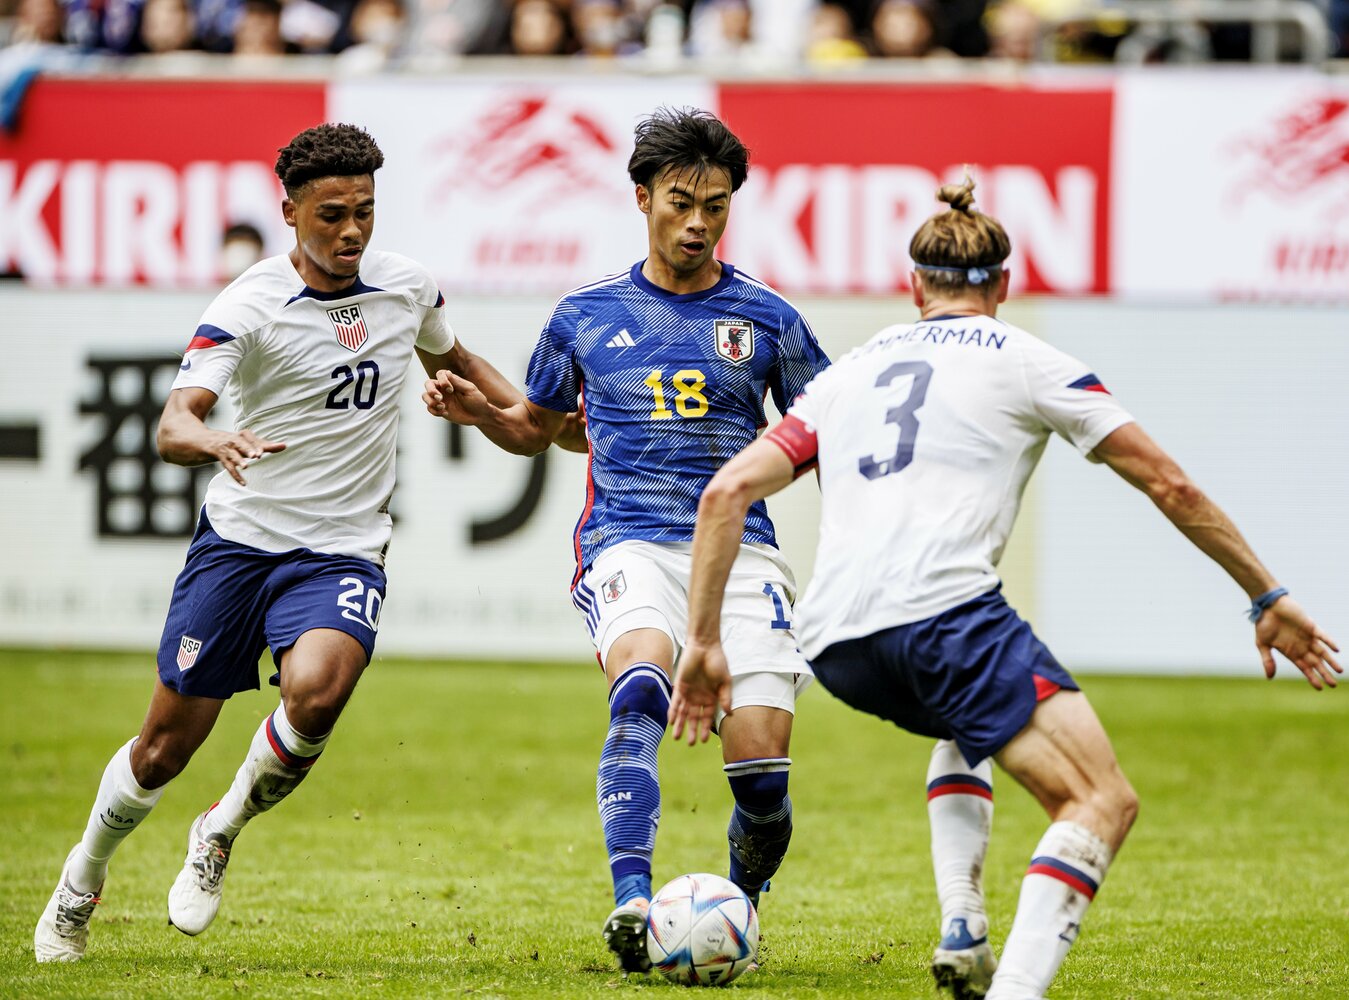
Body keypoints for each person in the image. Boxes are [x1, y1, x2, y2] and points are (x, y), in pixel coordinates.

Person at [668, 176, 1343, 999]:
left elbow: (724, 494)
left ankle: (963, 923)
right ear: (1005, 285)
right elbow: (1170, 485)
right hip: (943, 617)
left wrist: (702, 642)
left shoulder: (849, 374)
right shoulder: (1025, 358)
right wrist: (1267, 597)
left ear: (914, 287)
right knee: (1100, 801)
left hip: (837, 642)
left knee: (970, 724)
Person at [35, 123, 528, 963]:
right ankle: (80, 880)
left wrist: (532, 417)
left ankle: (219, 829)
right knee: (162, 749)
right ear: (291, 211)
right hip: (241, 544)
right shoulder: (249, 304)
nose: (351, 231)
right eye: (332, 215)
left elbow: (463, 360)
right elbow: (173, 424)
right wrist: (214, 440)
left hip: (343, 548)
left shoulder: (408, 288)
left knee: (317, 693)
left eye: (365, 211)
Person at [421, 106, 830, 974]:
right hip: (627, 542)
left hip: (743, 554)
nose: (698, 223)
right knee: (640, 684)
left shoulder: (769, 320)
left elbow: (827, 430)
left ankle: (737, 913)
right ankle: (633, 901)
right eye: (681, 202)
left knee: (762, 775)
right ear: (642, 197)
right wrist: (481, 414)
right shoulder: (583, 315)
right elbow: (537, 429)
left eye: (716, 206)